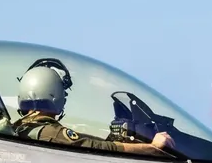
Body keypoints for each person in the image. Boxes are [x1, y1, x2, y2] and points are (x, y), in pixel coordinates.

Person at [12, 66, 174, 157]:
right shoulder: (51, 133)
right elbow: (97, 147)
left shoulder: (23, 128)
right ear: (55, 95)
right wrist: (152, 148)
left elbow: (87, 141)